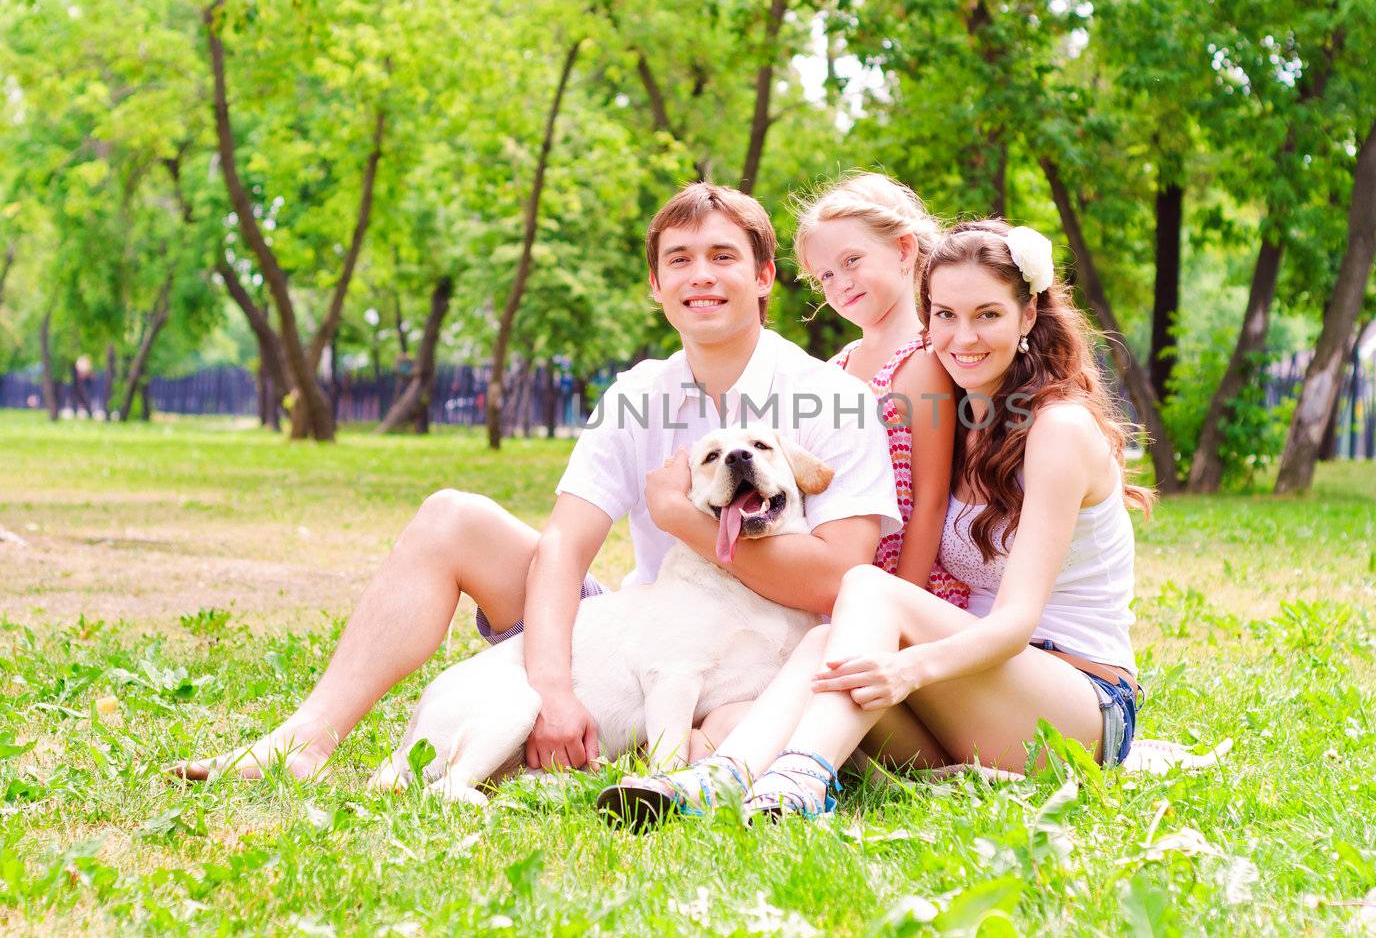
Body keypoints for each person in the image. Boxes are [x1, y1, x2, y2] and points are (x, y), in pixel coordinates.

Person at [172, 183, 900, 782]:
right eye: (679, 259)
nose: (700, 275)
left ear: (764, 275)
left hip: (743, 658)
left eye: (722, 256)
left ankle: (677, 759)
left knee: (727, 729)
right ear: (655, 284)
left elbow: (840, 580)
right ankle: (305, 737)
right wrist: (551, 686)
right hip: (642, 630)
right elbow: (563, 545)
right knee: (451, 515)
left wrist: (681, 517)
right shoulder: (638, 393)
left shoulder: (826, 396)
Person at [599, 218, 1151, 824]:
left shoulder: (1059, 428)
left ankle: (801, 779)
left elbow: (1016, 624)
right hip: (974, 697)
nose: (962, 336)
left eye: (987, 315)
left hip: (1078, 706)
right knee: (822, 643)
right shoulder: (961, 422)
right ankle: (720, 778)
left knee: (861, 586)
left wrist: (905, 668)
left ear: (1028, 316)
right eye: (943, 315)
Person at [793, 173, 968, 608]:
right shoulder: (840, 364)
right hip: (841, 573)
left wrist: (895, 607)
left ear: (903, 250)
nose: (840, 284)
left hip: (901, 583)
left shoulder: (923, 361)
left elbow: (929, 504)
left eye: (852, 261)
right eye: (826, 275)